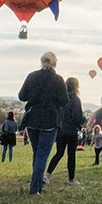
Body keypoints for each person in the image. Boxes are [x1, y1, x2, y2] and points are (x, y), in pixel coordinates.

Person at [18, 52, 69, 195]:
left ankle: (37, 183)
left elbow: (22, 96)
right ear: (55, 63)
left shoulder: (32, 76)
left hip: (33, 119)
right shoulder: (58, 79)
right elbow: (64, 101)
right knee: (42, 155)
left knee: (37, 153)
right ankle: (35, 188)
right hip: (50, 121)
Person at [45, 77, 83, 185]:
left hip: (60, 130)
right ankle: (71, 179)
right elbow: (77, 117)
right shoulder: (75, 99)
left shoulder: (61, 98)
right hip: (71, 131)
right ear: (76, 86)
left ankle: (47, 175)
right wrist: (79, 124)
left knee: (59, 153)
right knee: (71, 155)